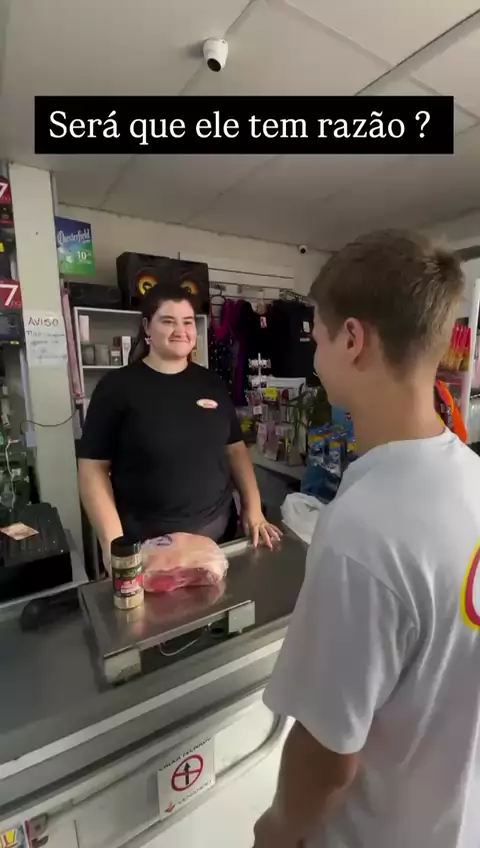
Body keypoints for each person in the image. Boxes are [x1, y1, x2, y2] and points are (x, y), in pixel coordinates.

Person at [253, 231, 480, 848]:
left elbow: (328, 755)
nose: (315, 357)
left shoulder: (361, 531)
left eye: (318, 339)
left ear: (353, 340)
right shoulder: (471, 477)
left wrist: (275, 831)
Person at [78, 284, 280, 572]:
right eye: (168, 321)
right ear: (147, 327)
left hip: (218, 539)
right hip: (149, 547)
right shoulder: (116, 388)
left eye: (187, 322)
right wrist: (114, 545)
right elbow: (92, 470)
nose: (180, 330)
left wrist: (254, 508)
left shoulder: (211, 383)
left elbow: (235, 450)